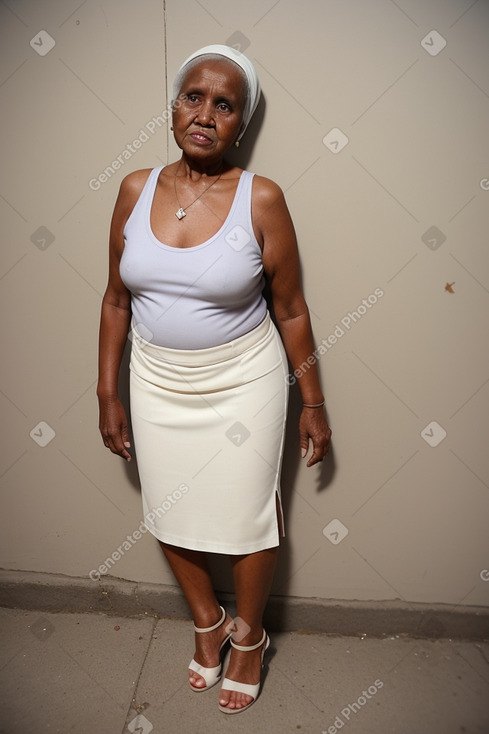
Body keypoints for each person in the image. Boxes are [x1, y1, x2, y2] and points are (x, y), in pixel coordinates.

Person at [97, 44, 332, 714]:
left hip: (243, 378)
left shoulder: (260, 198)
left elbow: (289, 308)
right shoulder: (134, 189)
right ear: (174, 106)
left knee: (248, 516)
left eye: (223, 105)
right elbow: (116, 298)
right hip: (155, 378)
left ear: (240, 122)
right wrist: (107, 389)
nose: (204, 114)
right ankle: (207, 621)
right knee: (168, 504)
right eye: (192, 97)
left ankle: (250, 637)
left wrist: (311, 400)